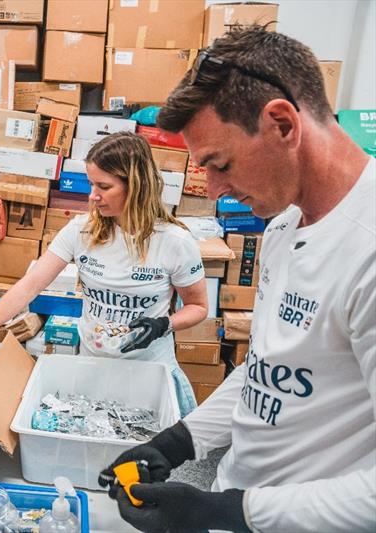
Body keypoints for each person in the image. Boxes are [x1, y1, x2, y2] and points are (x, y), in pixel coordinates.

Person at [101, 26, 375, 533]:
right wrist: (178, 442)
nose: (216, 190)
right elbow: (266, 371)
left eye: (220, 164)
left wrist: (230, 512)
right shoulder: (284, 228)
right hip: (240, 501)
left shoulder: (368, 249)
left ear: (282, 124)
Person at [0, 131, 208, 417]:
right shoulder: (82, 231)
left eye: (104, 186)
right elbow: (30, 286)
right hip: (93, 364)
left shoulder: (174, 242)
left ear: (135, 186)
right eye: (91, 184)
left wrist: (162, 325)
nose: (93, 196)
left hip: (149, 368)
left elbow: (198, 307)